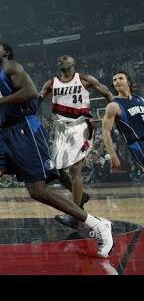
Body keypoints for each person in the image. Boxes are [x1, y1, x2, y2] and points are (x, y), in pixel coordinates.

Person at [0, 42, 113, 261]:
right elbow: (5, 112)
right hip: (5, 133)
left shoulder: (11, 66)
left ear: (6, 53)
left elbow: (30, 92)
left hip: (25, 130)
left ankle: (97, 224)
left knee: (38, 191)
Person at [39, 55, 114, 229]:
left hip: (81, 126)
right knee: (54, 171)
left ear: (73, 63)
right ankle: (82, 198)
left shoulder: (85, 79)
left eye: (64, 58)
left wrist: (116, 114)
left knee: (75, 170)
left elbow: (107, 94)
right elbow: (38, 97)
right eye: (59, 59)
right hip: (60, 130)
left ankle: (75, 215)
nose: (60, 60)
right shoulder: (51, 83)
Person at [101, 71, 144, 173]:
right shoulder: (114, 105)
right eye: (114, 80)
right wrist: (113, 155)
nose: (117, 81)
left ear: (128, 82)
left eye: (120, 78)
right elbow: (105, 132)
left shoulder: (140, 99)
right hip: (138, 145)